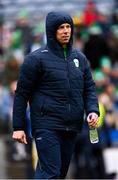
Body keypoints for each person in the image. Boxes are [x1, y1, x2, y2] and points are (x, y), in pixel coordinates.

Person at [12, 11, 99, 179]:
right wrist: (19, 127)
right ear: (51, 31)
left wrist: (93, 111)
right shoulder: (35, 59)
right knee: (52, 174)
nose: (66, 31)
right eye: (61, 28)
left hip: (71, 126)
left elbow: (89, 88)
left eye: (68, 27)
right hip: (46, 125)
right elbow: (22, 93)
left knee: (55, 174)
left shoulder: (80, 59)